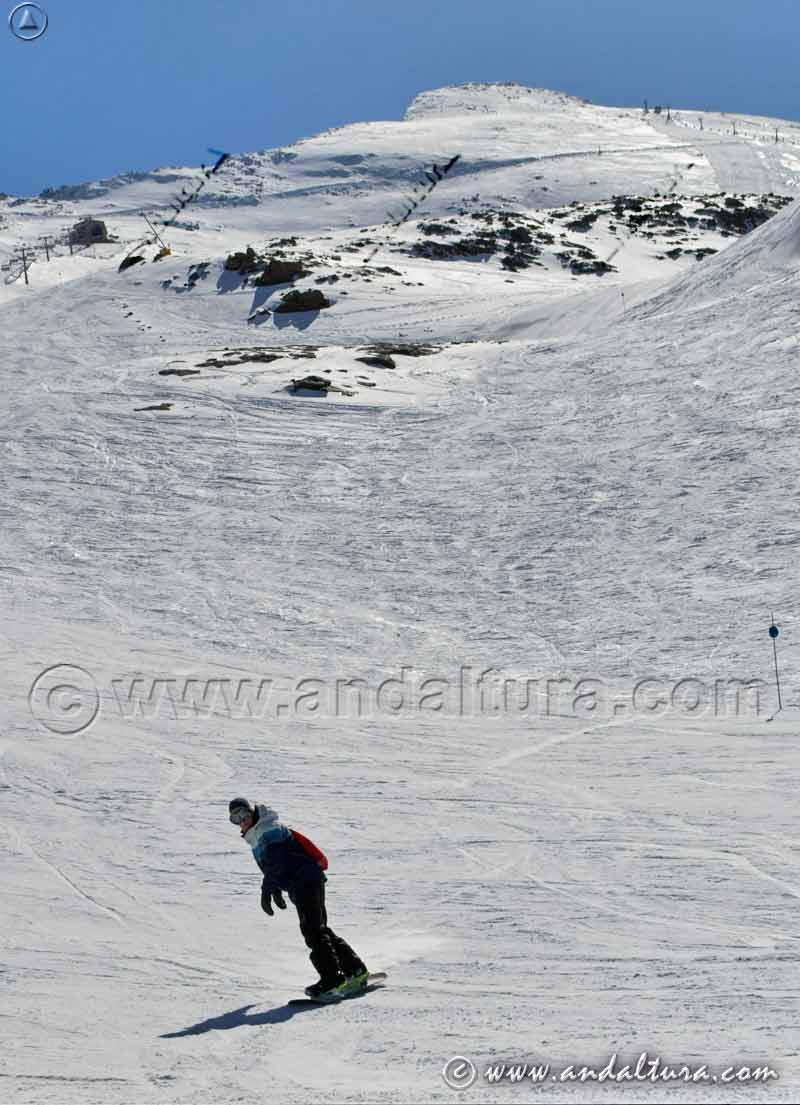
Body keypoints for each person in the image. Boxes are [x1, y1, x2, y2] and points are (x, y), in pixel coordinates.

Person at [228, 797, 368, 1000]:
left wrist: (267, 889)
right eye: (236, 818)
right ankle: (355, 971)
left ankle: (332, 980)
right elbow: (276, 866)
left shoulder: (268, 829)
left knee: (312, 931)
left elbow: (277, 861)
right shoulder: (258, 832)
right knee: (319, 928)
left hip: (305, 880)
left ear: (252, 811)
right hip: (303, 881)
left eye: (244, 814)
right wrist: (275, 887)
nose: (242, 820)